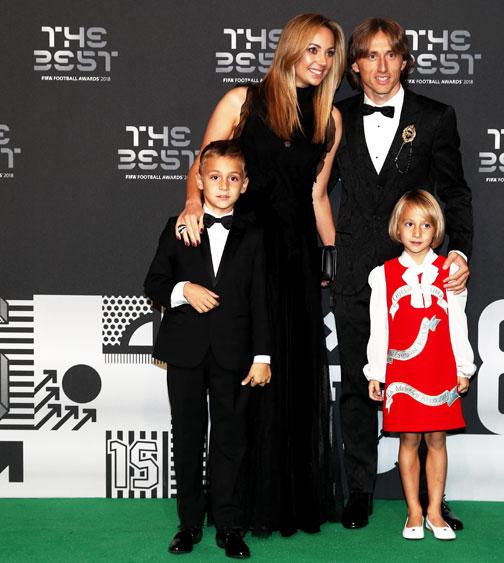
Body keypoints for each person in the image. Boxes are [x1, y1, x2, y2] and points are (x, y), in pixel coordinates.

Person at [175, 14, 346, 536]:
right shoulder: (241, 102)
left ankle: (278, 503)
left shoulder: (330, 119)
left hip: (294, 259)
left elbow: (316, 195)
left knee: (287, 375)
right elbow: (201, 165)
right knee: (237, 378)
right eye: (312, 49)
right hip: (243, 256)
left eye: (328, 53)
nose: (319, 61)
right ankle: (231, 504)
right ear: (292, 47)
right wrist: (190, 206)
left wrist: (334, 251)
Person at [334, 17, 474, 529]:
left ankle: (430, 503)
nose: (381, 65)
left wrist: (458, 254)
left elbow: (455, 192)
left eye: (391, 54)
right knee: (356, 382)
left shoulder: (435, 117)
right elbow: (313, 189)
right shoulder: (335, 116)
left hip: (420, 273)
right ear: (354, 66)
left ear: (405, 60)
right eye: (370, 55)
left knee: (429, 382)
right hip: (352, 270)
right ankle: (358, 492)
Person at [145, 140, 271, 558]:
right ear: (199, 180)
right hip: (184, 352)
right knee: (187, 437)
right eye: (214, 177)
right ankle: (189, 525)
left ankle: (230, 526)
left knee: (231, 440)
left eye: (232, 179)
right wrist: (184, 290)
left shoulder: (254, 235)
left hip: (235, 355)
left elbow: (261, 301)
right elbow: (155, 284)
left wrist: (263, 356)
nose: (222, 186)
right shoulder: (177, 226)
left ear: (245, 184)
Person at [365, 189, 475, 540]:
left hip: (440, 368)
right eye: (409, 224)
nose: (416, 232)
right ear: (397, 228)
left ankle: (434, 512)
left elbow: (459, 323)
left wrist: (464, 368)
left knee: (437, 440)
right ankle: (413, 511)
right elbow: (378, 328)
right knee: (409, 439)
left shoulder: (450, 272)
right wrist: (376, 372)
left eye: (425, 225)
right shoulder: (382, 275)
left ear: (436, 230)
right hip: (402, 373)